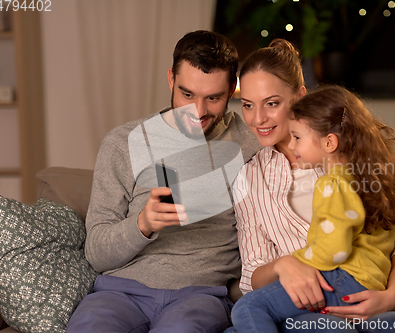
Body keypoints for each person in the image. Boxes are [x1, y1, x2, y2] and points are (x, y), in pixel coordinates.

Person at [227, 39, 395, 333]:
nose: (258, 119)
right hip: (304, 309)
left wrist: (391, 296)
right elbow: (252, 275)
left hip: (370, 301)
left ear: (300, 97)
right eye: (247, 105)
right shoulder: (249, 178)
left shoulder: (353, 157)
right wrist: (284, 265)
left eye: (272, 103)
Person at [66, 30, 262, 333]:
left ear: (232, 89)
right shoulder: (123, 143)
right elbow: (96, 253)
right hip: (119, 293)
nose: (198, 112)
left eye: (213, 98)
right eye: (187, 94)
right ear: (171, 79)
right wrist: (143, 224)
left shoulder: (254, 143)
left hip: (200, 296)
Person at [230, 84, 395, 332]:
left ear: (329, 143)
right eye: (247, 104)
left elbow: (333, 250)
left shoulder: (330, 183)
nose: (293, 146)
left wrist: (296, 262)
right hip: (371, 281)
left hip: (341, 279)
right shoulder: (372, 176)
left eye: (297, 137)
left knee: (246, 309)